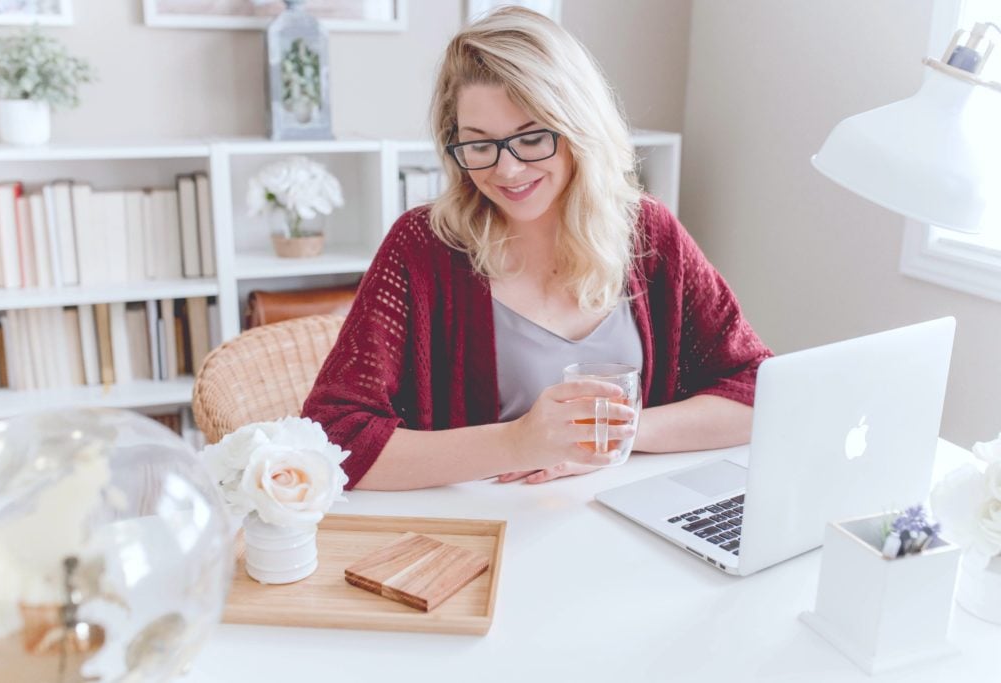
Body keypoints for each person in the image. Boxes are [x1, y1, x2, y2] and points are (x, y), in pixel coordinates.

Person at [302, 7, 772, 490]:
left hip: (622, 522)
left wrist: (613, 435)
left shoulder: (648, 233)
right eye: (479, 144)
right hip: (482, 535)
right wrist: (518, 442)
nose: (506, 170)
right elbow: (332, 438)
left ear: (578, 129)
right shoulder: (423, 247)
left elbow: (760, 390)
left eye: (531, 138)